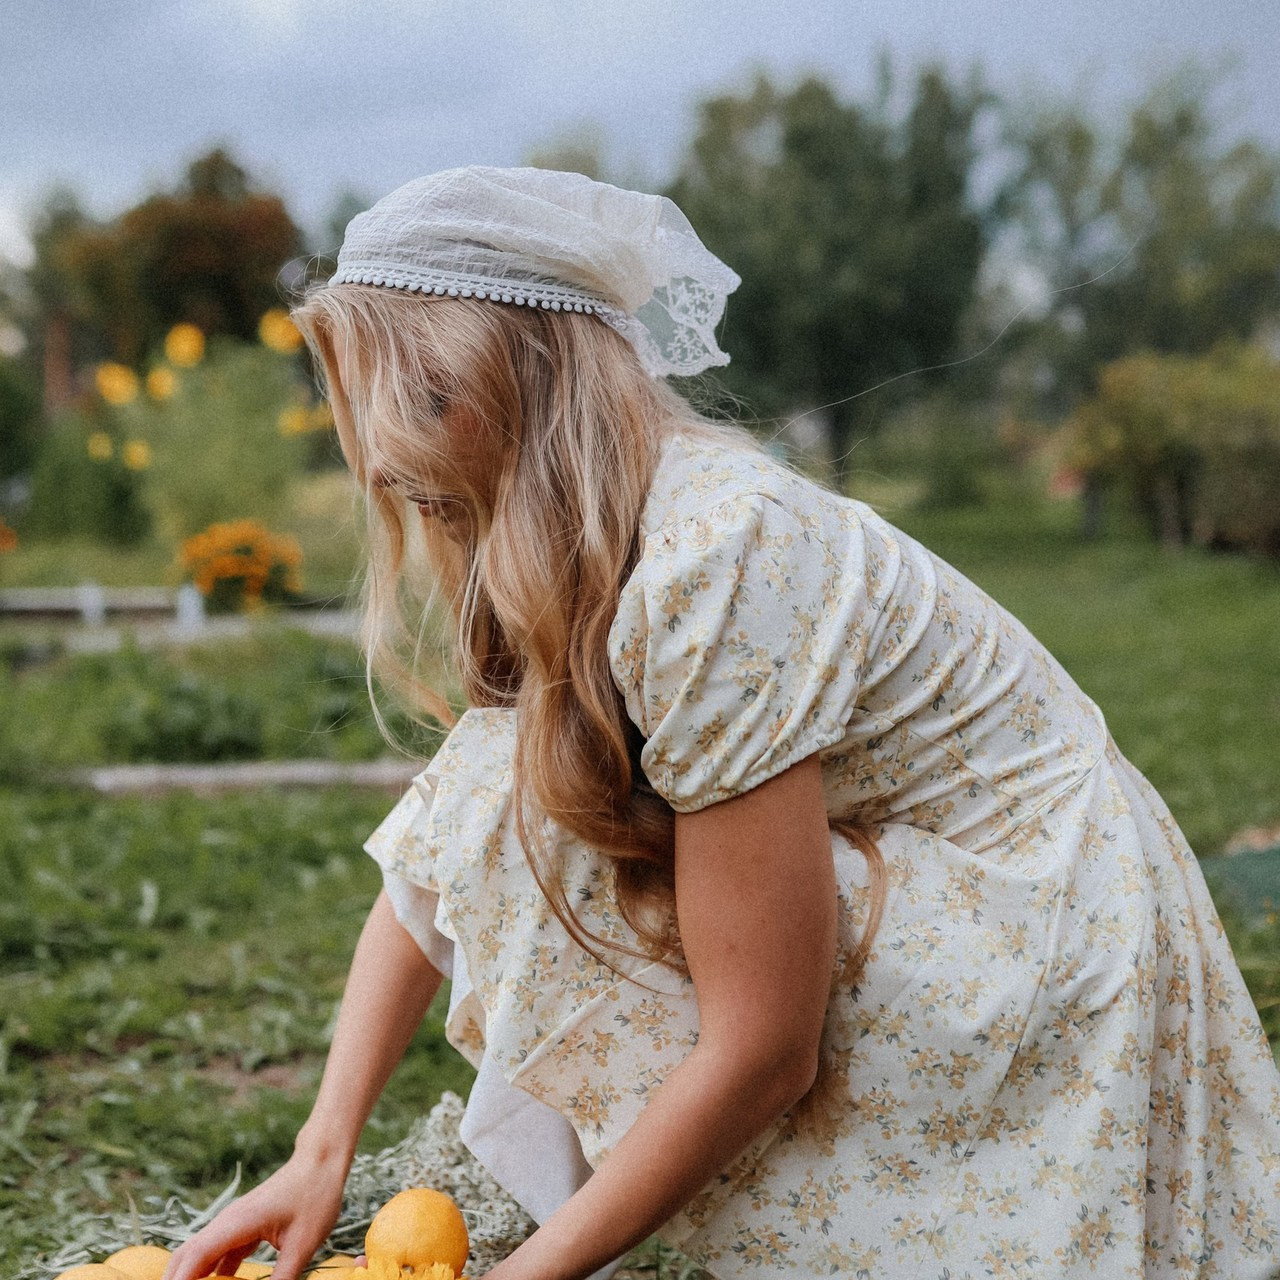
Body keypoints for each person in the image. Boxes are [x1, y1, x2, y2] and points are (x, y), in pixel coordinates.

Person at [165, 167, 1280, 1280]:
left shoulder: (716, 553)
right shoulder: (576, 541)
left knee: (609, 875)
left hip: (1043, 926)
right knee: (531, 789)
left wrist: (523, 1276)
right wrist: (318, 1151)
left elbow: (764, 1047)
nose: (380, 449)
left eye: (404, 397)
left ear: (497, 378)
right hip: (929, 886)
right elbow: (453, 838)